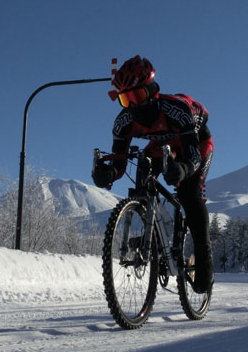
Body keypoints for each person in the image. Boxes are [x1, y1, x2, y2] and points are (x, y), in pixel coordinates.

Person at [92, 55, 214, 294]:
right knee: (141, 179)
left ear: (151, 91)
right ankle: (154, 236)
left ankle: (204, 257)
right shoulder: (124, 121)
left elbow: (193, 156)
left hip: (195, 144)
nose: (133, 106)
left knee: (190, 195)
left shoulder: (177, 110)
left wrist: (184, 169)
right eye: (126, 100)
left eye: (136, 97)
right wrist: (107, 173)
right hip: (160, 147)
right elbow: (119, 163)